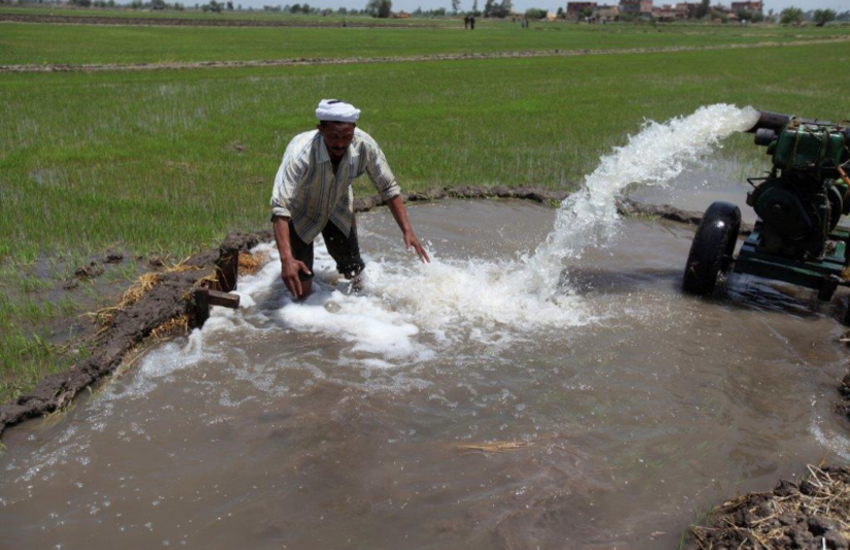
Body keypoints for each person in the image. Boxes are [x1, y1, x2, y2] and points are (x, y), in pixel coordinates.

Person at [270, 99, 430, 300]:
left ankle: (358, 307)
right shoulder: (299, 153)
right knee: (301, 287)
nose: (339, 144)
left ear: (354, 130)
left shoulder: (365, 146)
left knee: (353, 270)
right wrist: (286, 260)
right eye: (333, 137)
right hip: (301, 212)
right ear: (320, 130)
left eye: (346, 137)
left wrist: (408, 231)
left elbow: (388, 188)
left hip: (338, 208)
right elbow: (280, 207)